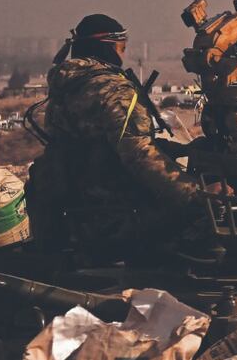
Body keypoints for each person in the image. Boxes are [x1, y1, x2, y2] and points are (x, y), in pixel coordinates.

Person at [27, 14, 201, 260]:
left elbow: (97, 144)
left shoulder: (66, 88)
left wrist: (180, 150)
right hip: (115, 214)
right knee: (205, 219)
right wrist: (195, 194)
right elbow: (138, 155)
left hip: (75, 212)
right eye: (122, 48)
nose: (123, 56)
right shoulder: (114, 90)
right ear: (107, 47)